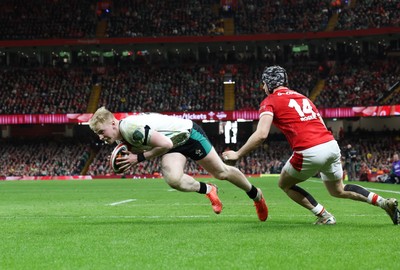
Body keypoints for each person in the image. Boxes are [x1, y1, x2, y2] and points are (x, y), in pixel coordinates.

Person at [222, 65, 400, 225]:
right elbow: (321, 124)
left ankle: (325, 216)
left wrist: (238, 154)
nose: (262, 88)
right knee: (338, 189)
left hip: (308, 150)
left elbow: (261, 134)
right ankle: (383, 202)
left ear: (268, 83)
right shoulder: (303, 97)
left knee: (285, 184)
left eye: (263, 84)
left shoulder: (269, 101)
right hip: (330, 145)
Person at [89, 107, 268, 221]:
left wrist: (139, 158)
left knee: (221, 172)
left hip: (189, 135)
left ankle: (256, 195)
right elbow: (162, 144)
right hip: (173, 143)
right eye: (97, 133)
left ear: (113, 123)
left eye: (101, 131)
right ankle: (209, 190)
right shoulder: (124, 133)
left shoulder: (130, 129)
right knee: (173, 179)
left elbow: (165, 144)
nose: (100, 136)